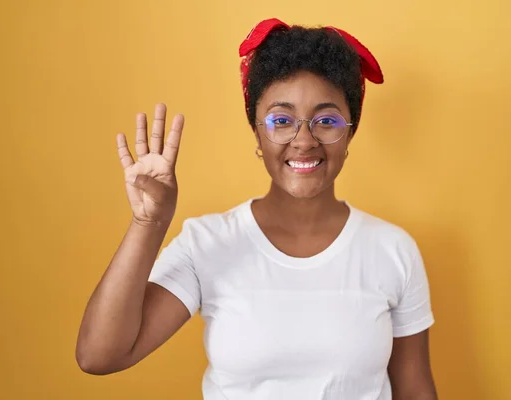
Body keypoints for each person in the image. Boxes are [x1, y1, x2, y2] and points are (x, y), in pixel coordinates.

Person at [76, 18, 438, 400]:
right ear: (256, 133)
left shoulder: (393, 250)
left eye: (326, 121)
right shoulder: (208, 243)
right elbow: (99, 354)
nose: (304, 140)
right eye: (281, 120)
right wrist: (148, 221)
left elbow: (414, 389)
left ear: (349, 132)